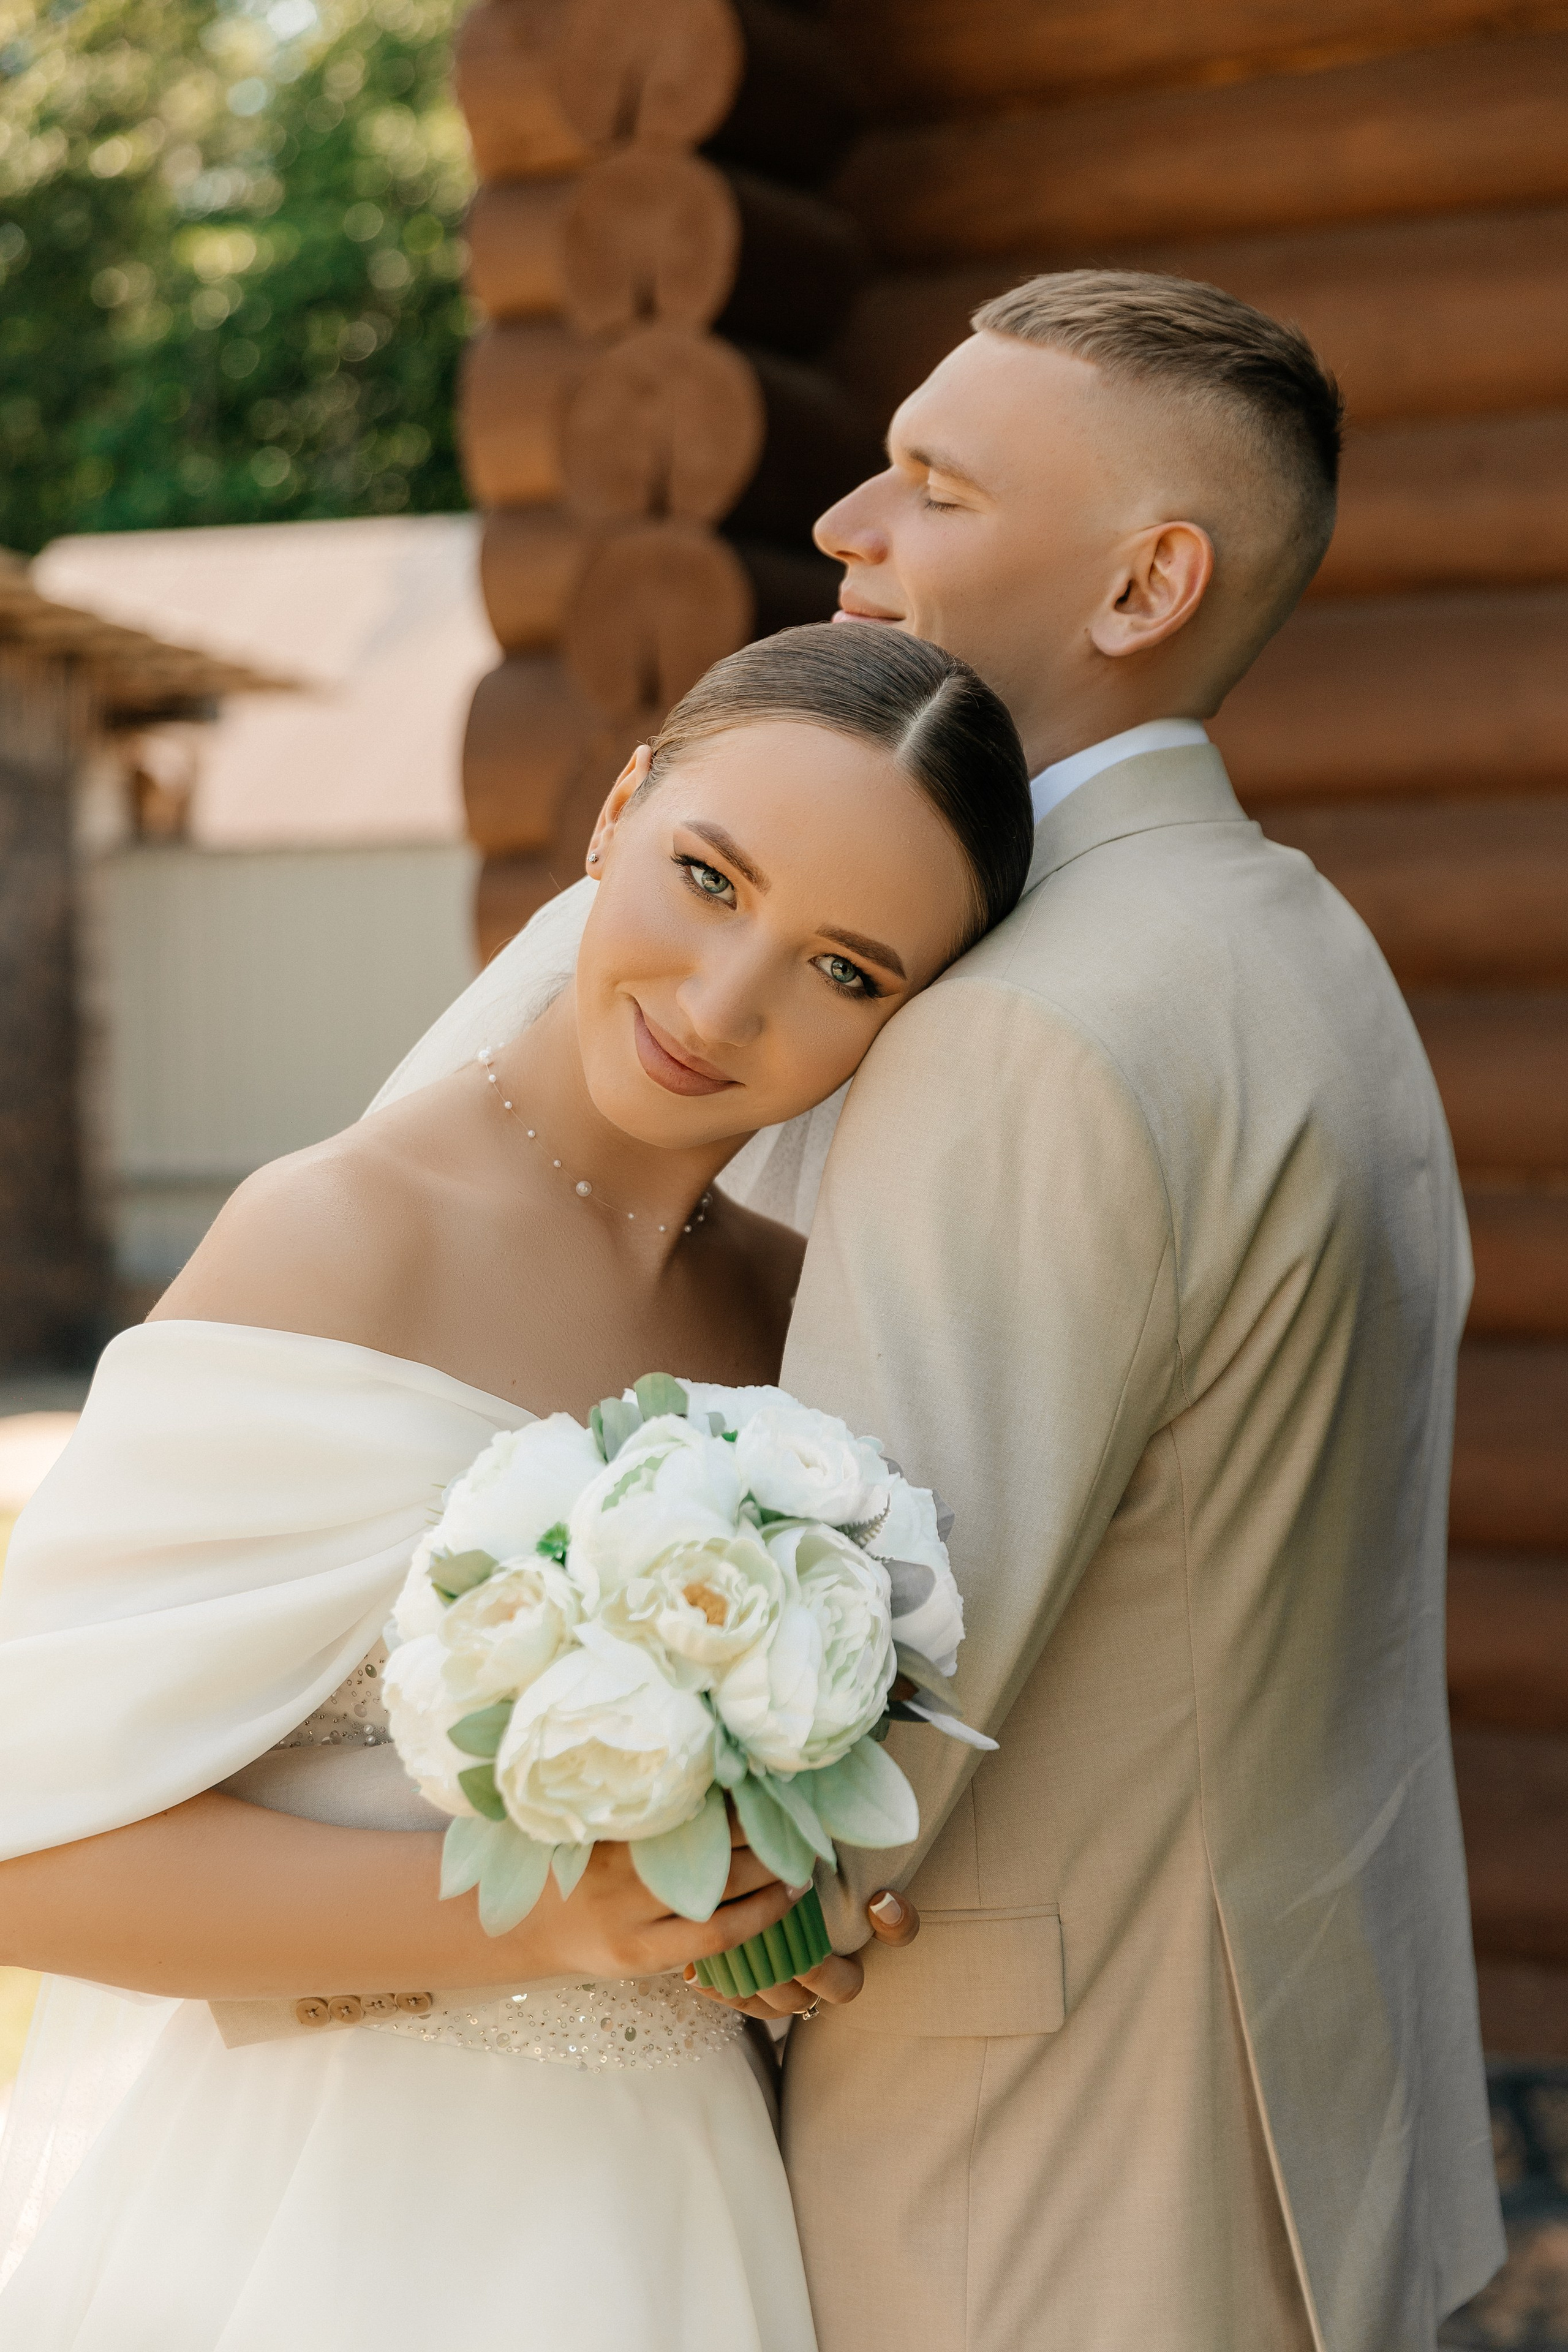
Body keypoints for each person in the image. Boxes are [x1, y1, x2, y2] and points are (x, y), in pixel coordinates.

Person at [389, 270, 1506, 2351]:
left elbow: (841, 1729)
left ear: (1145, 584)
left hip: (1044, 2186)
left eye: (936, 485)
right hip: (1294, 2112)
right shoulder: (1292, 938)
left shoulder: (1020, 1031)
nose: (844, 524)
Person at [0, 624, 1035, 2350]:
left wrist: (765, 1906)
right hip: (332, 2235)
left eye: (846, 971)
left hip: (682, 2216)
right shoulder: (340, 1238)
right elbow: (25, 1850)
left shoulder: (800, 1325)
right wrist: (557, 1919)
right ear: (618, 811)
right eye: (708, 878)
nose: (724, 1003)